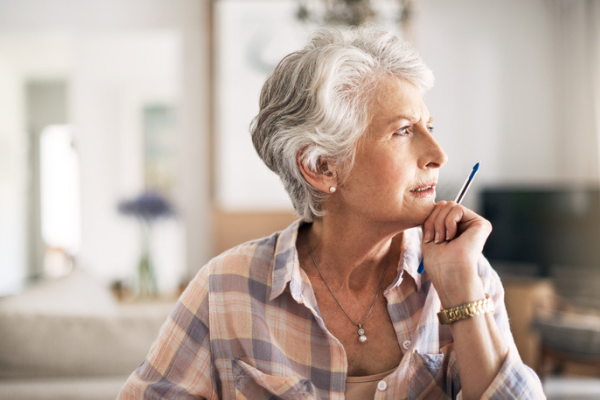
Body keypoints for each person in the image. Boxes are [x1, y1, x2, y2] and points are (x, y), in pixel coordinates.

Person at [118, 27, 545, 400]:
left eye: (428, 128)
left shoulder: (464, 272)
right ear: (322, 167)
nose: (438, 155)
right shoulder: (224, 290)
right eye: (402, 131)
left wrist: (461, 291)